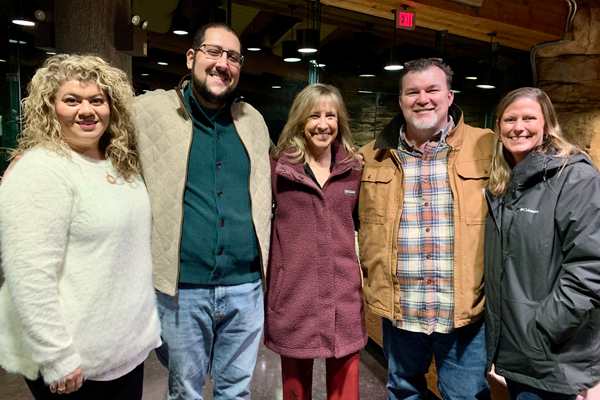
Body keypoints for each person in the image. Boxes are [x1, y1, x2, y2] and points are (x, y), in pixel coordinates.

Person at [0, 54, 161, 399]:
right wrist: (57, 356)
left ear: (111, 107)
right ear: (50, 107)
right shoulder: (41, 170)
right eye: (71, 100)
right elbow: (29, 275)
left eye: (96, 100)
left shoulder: (120, 164)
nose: (86, 110)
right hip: (74, 363)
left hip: (122, 353)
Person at [133, 23, 272, 400]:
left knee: (236, 392)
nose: (222, 63)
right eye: (214, 52)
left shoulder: (253, 122)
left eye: (233, 57)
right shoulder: (148, 112)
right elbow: (91, 128)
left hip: (245, 288)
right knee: (186, 392)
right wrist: (33, 152)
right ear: (192, 57)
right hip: (182, 289)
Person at [358, 58, 494, 400]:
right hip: (401, 310)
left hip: (464, 313)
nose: (423, 99)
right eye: (412, 92)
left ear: (449, 96)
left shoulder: (489, 147)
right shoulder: (369, 157)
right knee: (404, 392)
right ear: (401, 100)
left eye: (432, 90)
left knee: (466, 396)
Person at [484, 87, 600, 400]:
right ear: (498, 126)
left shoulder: (574, 177)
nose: (518, 127)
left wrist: (545, 326)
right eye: (510, 119)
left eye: (528, 118)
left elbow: (591, 265)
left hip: (550, 349)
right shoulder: (505, 181)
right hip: (516, 347)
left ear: (546, 124)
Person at [264, 83, 367, 400]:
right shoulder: (278, 169)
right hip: (295, 297)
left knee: (345, 393)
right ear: (299, 120)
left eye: (331, 115)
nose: (323, 124)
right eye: (314, 116)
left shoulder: (354, 170)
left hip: (344, 301)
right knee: (295, 392)